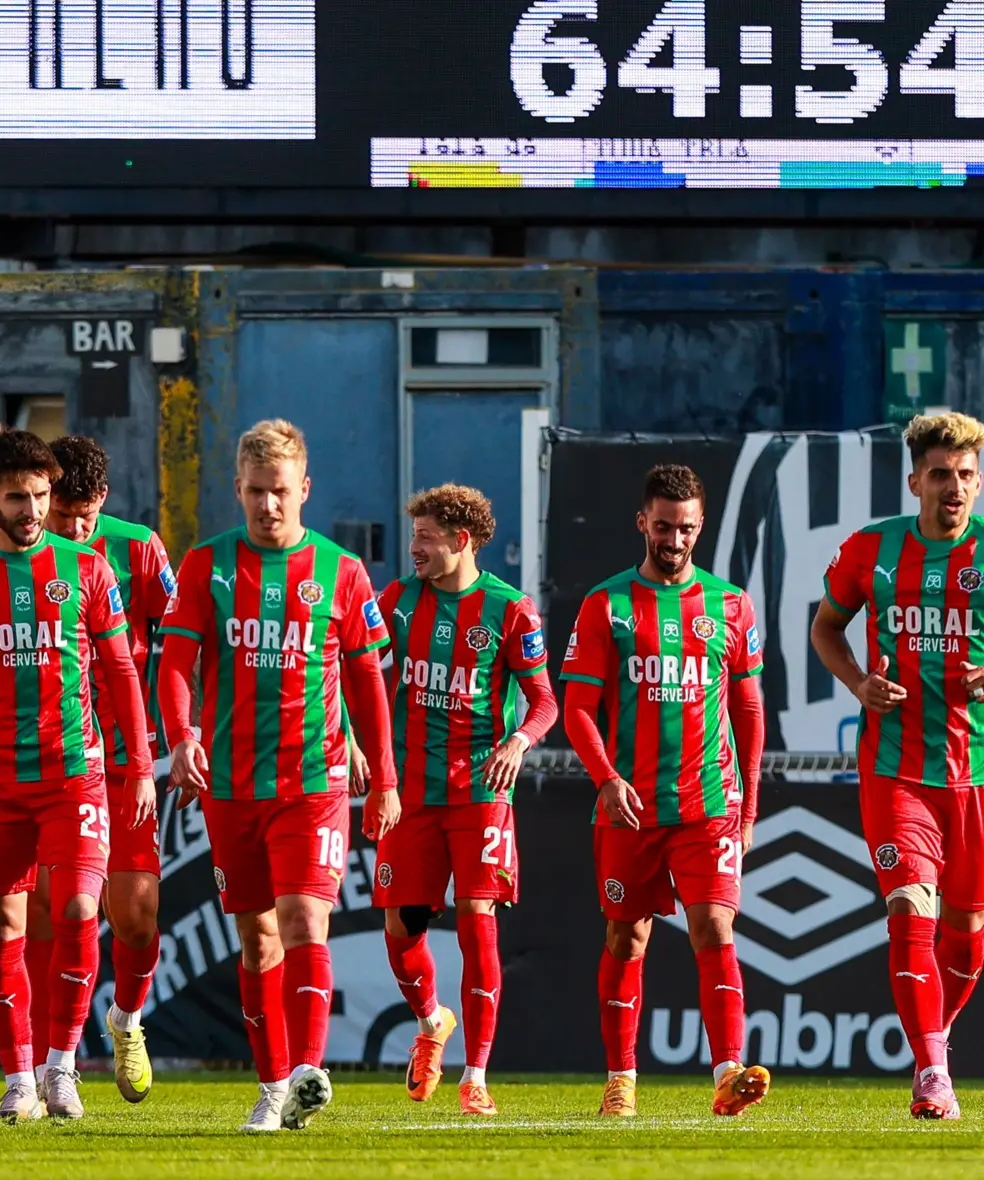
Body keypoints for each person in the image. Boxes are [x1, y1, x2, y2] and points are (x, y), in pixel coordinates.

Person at [158, 419, 399, 1133]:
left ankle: (306, 1072)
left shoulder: (342, 571)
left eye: (282, 492)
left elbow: (366, 682)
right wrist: (181, 737)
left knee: (303, 920)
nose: (269, 505)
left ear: (306, 489)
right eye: (257, 492)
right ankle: (270, 1087)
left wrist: (383, 777)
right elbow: (176, 662)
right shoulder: (207, 565)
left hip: (314, 782)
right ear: (238, 489)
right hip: (232, 784)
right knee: (257, 939)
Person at [0, 426, 155, 1123]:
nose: (32, 511)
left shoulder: (88, 570)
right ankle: (17, 1077)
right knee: (3, 923)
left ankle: (60, 1068)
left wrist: (138, 763)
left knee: (82, 909)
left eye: (41, 497)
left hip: (74, 774)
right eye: (18, 497)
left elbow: (119, 670)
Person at [561, 463, 768, 1119]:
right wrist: (607, 778)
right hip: (630, 808)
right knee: (628, 937)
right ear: (642, 523)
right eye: (663, 526)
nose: (673, 538)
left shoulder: (731, 605)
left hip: (710, 803)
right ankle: (621, 1077)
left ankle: (729, 1071)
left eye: (685, 528)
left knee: (714, 926)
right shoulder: (607, 605)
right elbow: (578, 709)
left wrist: (750, 805)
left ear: (700, 528)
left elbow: (750, 710)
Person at [811, 412, 984, 1121]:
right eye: (942, 475)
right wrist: (857, 684)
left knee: (967, 935)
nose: (955, 488)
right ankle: (932, 1071)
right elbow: (826, 627)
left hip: (976, 774)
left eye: (967, 476)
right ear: (914, 480)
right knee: (911, 908)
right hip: (895, 767)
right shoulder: (871, 550)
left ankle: (934, 1035)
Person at [372, 485, 558, 1116]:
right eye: (414, 534)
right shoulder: (397, 602)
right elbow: (358, 672)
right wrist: (353, 740)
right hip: (411, 791)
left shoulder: (510, 611)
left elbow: (545, 702)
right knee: (401, 927)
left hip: (481, 789)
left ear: (462, 540)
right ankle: (431, 1023)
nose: (414, 547)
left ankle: (475, 1076)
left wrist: (518, 742)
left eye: (426, 536)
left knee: (478, 921)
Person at [23, 435, 175, 1104]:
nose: (74, 528)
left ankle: (126, 1019)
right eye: (62, 514)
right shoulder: (20, 555)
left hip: (123, 760)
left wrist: (183, 732)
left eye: (85, 515)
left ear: (103, 502)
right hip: (51, 760)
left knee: (136, 916)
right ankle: (40, 1064)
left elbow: (181, 641)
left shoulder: (139, 549)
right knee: (53, 914)